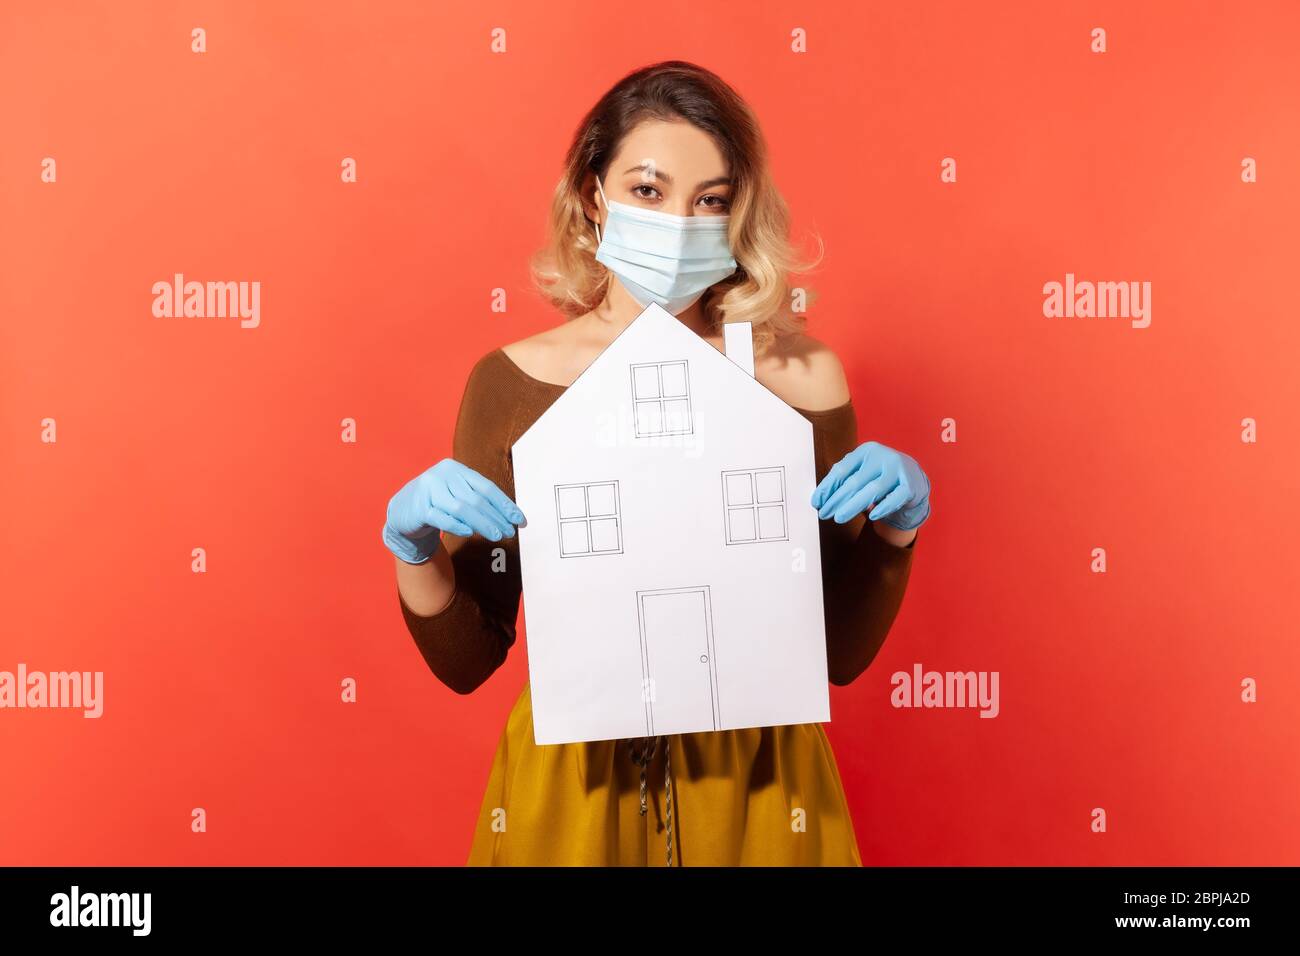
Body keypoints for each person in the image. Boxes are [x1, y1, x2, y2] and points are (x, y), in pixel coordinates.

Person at [382, 60, 932, 866]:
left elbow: (839, 654)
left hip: (762, 780)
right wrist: (414, 549)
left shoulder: (800, 375)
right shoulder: (514, 381)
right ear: (592, 195)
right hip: (574, 782)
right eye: (648, 190)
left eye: (710, 200)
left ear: (738, 215)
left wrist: (893, 534)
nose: (680, 222)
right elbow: (468, 660)